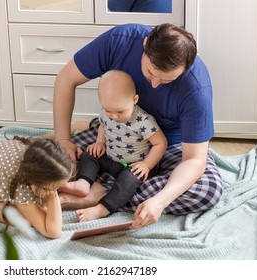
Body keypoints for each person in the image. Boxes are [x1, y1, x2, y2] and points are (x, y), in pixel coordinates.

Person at [53, 23, 224, 229]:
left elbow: (195, 160)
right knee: (51, 163)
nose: (154, 84)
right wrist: (63, 139)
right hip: (114, 131)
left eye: (166, 80)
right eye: (151, 72)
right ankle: (107, 189)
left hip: (168, 146)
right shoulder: (120, 40)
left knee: (208, 191)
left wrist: (160, 201)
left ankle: (104, 193)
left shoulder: (196, 88)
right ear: (145, 45)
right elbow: (65, 79)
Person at [60, 70, 167, 222]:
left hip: (135, 166)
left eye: (120, 112)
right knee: (89, 153)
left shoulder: (143, 122)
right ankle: (83, 184)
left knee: (128, 180)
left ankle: (102, 209)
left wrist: (146, 165)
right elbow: (103, 126)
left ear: (134, 99)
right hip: (112, 158)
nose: (114, 116)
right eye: (109, 111)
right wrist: (100, 143)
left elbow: (160, 143)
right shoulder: (106, 113)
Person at [0, 136, 75, 239]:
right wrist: (52, 196)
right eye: (57, 186)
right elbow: (53, 232)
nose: (64, 186)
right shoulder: (22, 186)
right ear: (38, 182)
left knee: (38, 210)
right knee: (25, 219)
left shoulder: (33, 155)